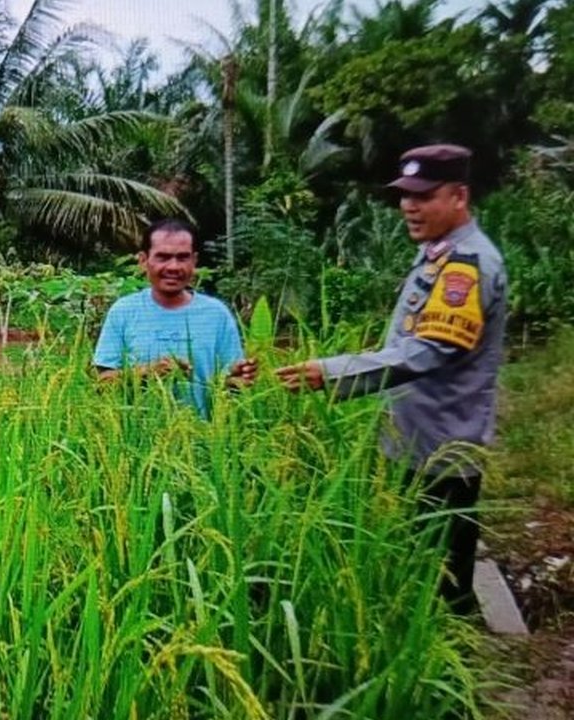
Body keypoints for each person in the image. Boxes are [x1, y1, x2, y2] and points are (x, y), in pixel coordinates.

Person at [274, 144, 507, 614]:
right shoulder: (438, 254)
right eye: (405, 195)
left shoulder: (466, 264)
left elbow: (428, 350)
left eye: (423, 196)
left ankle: (451, 665)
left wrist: (331, 372)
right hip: (413, 439)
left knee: (442, 575)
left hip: (442, 446)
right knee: (417, 562)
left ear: (459, 196)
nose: (409, 206)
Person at [93, 218, 258, 412]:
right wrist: (148, 372)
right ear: (143, 261)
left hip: (204, 438)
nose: (173, 267)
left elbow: (227, 385)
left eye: (182, 257)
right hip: (135, 438)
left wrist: (238, 380)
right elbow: (102, 384)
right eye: (163, 257)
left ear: (194, 261)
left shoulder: (216, 314)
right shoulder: (123, 311)